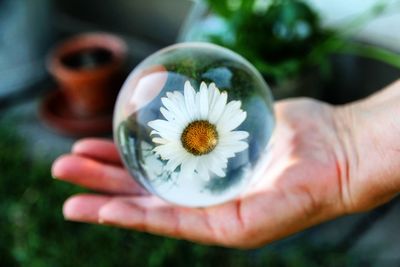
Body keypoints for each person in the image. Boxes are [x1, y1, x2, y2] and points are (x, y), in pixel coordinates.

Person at [51, 79, 400, 248]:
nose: (200, 139)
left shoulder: (216, 130)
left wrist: (349, 144)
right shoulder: (188, 137)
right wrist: (348, 143)